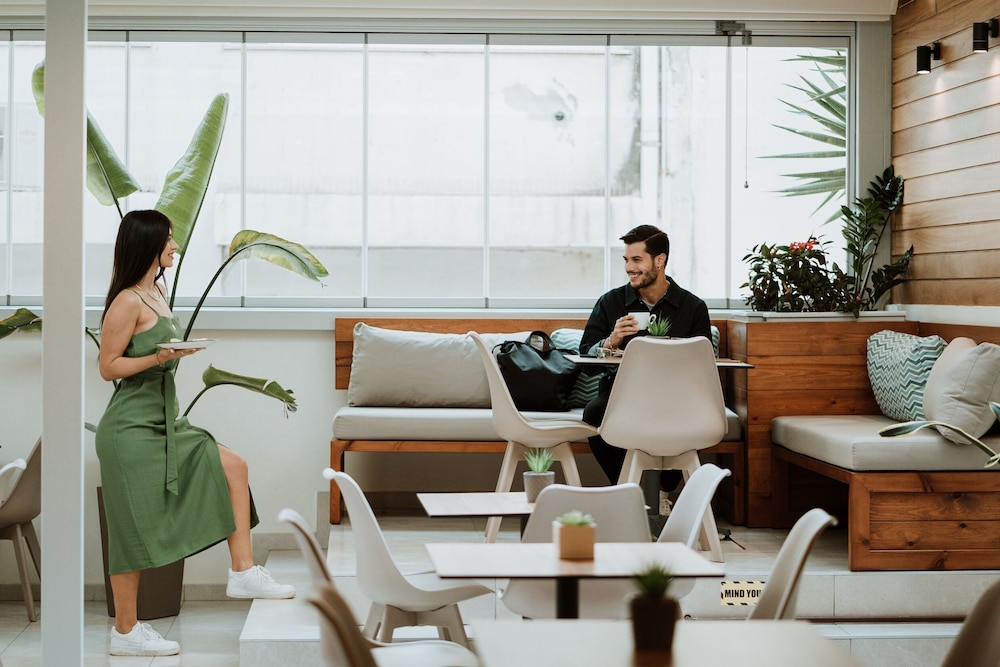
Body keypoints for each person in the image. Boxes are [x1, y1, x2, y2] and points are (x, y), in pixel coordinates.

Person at [95, 210, 295, 657]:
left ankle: (242, 570)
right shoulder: (127, 301)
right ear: (148, 245)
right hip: (130, 429)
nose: (174, 246)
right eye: (168, 240)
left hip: (166, 421)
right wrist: (159, 357)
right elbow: (108, 367)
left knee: (233, 466)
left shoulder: (156, 291)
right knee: (130, 531)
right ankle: (125, 632)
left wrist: (173, 353)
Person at [579, 224, 712, 501]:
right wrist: (611, 340)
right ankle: (627, 489)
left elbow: (705, 363)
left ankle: (665, 487)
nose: (629, 268)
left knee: (703, 413)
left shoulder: (692, 307)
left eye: (637, 259)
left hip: (677, 396)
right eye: (626, 260)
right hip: (621, 395)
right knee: (594, 413)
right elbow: (585, 358)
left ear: (660, 260)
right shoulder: (611, 302)